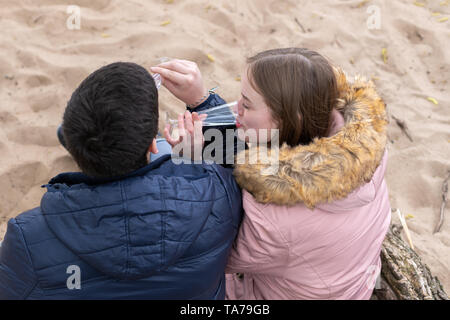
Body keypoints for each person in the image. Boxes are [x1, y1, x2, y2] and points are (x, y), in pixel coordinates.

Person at [152, 48, 391, 300]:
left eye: (246, 104)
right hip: (343, 283)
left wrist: (199, 163)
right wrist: (202, 101)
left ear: (287, 118)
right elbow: (252, 152)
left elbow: (211, 252)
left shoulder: (275, 218)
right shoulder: (359, 145)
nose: (238, 110)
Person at [0, 62, 243, 299]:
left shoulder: (27, 238)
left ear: (75, 149)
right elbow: (238, 157)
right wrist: (203, 101)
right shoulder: (220, 196)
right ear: (151, 145)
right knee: (172, 153)